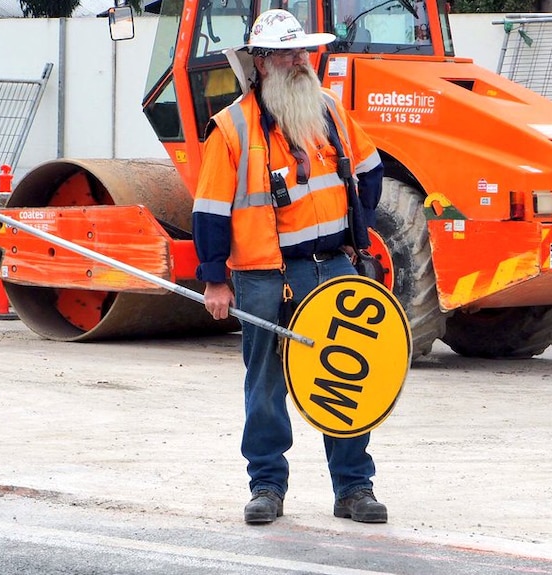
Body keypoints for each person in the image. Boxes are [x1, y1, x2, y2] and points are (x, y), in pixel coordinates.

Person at [192, 9, 386, 525]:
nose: (299, 60)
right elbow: (209, 211)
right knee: (266, 384)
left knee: (344, 381)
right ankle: (267, 487)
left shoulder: (329, 111)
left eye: (301, 51)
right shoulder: (231, 128)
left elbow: (369, 171)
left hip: (334, 269)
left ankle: (353, 488)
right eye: (286, 53)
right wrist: (215, 280)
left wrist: (355, 236)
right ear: (260, 63)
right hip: (263, 278)